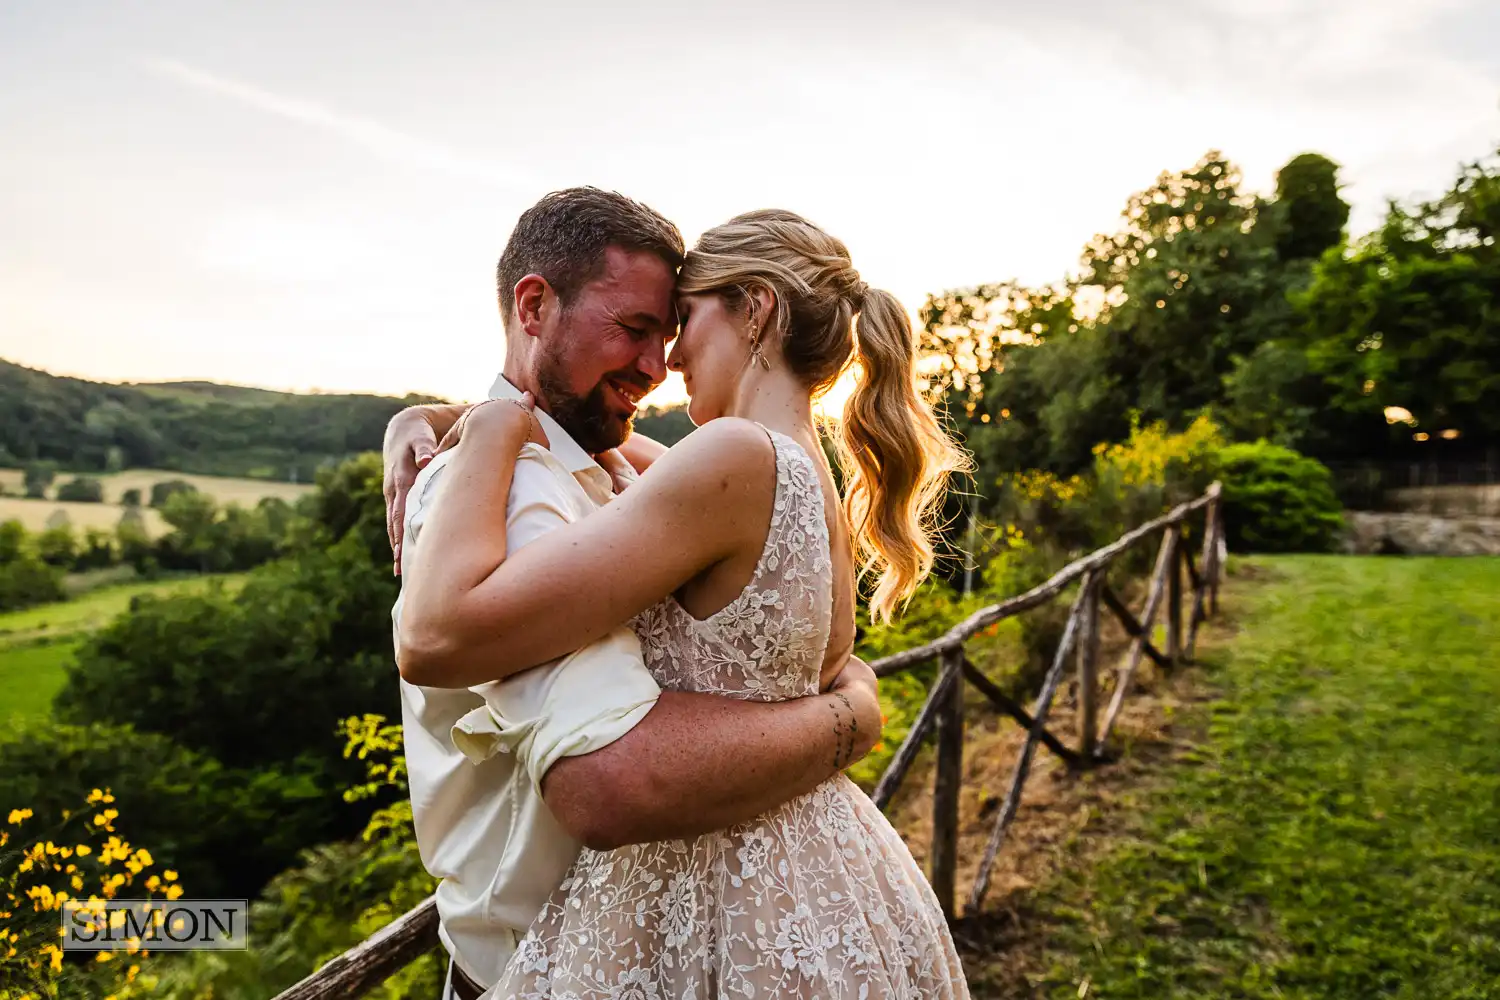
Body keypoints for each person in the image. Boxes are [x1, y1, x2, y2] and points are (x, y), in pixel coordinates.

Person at [396, 207, 973, 998]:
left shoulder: (732, 459)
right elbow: (611, 454)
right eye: (638, 327)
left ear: (758, 309)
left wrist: (492, 422)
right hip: (813, 870)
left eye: (681, 320)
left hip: (703, 891)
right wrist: (441, 419)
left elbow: (439, 638)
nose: (666, 360)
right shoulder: (808, 473)